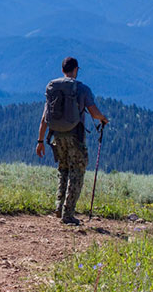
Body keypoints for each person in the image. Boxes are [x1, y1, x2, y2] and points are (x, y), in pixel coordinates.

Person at [36, 57, 108, 225]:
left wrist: (40, 141)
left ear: (63, 70)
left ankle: (59, 207)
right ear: (76, 69)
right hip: (75, 136)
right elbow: (94, 112)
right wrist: (103, 119)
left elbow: (44, 119)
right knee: (77, 171)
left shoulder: (54, 89)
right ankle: (68, 214)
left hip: (57, 136)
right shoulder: (82, 89)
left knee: (63, 169)